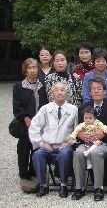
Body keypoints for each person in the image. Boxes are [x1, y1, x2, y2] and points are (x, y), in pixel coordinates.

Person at [72, 77, 107, 201]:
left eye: (99, 88)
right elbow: (78, 128)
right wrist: (80, 135)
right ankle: (79, 188)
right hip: (87, 141)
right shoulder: (83, 107)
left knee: (96, 153)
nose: (96, 91)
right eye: (93, 89)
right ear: (90, 92)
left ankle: (98, 188)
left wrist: (104, 134)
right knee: (78, 153)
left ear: (105, 91)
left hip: (106, 143)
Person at [28, 82, 78, 198]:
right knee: (37, 155)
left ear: (67, 93)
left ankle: (63, 185)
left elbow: (77, 130)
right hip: (48, 145)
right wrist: (41, 143)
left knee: (65, 154)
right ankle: (43, 185)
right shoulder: (45, 109)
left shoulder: (73, 109)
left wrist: (69, 142)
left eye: (62, 90)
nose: (59, 92)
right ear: (52, 93)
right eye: (56, 90)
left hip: (64, 144)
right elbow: (34, 126)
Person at [13, 58, 49, 192]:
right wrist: (27, 119)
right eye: (29, 68)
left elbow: (45, 104)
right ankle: (23, 175)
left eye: (34, 67)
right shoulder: (19, 86)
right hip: (25, 124)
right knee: (23, 149)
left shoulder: (42, 85)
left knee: (37, 149)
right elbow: (17, 107)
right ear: (25, 70)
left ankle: (34, 173)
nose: (32, 70)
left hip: (40, 123)